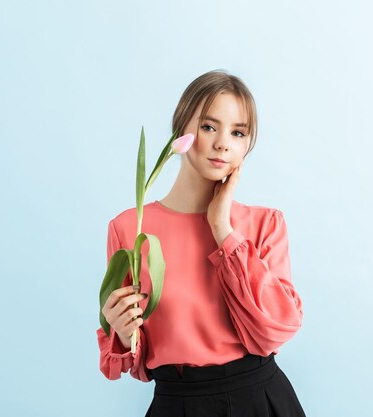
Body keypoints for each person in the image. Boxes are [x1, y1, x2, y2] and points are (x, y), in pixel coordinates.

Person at [96, 69, 306, 416]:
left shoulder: (265, 224)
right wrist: (120, 331)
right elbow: (130, 362)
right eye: (209, 127)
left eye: (238, 133)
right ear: (181, 130)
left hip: (260, 399)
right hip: (176, 403)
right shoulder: (129, 228)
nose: (223, 142)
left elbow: (275, 331)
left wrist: (222, 227)